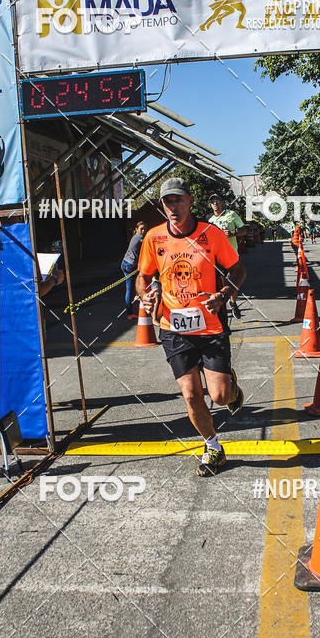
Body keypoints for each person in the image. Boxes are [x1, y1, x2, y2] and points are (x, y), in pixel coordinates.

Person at [136, 178, 246, 477]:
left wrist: (223, 296)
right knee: (190, 394)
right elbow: (143, 275)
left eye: (177, 200)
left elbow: (237, 269)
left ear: (190, 200)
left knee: (220, 397)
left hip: (210, 326)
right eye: (167, 202)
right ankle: (213, 447)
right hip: (173, 327)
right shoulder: (154, 238)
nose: (172, 207)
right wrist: (146, 295)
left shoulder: (211, 234)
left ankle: (231, 389)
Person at [208, 194, 247, 319]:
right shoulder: (210, 220)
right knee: (218, 283)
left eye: (217, 200)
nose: (215, 203)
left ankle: (233, 303)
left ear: (223, 202)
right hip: (215, 257)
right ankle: (219, 308)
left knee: (232, 282)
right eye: (212, 201)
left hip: (231, 256)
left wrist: (233, 233)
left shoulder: (231, 215)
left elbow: (244, 229)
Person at [121, 221, 147, 319]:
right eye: (141, 229)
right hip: (129, 265)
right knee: (129, 289)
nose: (143, 231)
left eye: (145, 229)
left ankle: (137, 295)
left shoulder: (135, 236)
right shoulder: (140, 238)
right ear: (136, 229)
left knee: (135, 284)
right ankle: (129, 313)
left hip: (125, 262)